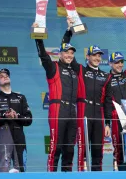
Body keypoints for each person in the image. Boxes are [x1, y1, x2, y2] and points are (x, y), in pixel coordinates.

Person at [63, 17, 112, 171]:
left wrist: (108, 123)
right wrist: (69, 31)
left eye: (99, 55)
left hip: (99, 114)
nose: (97, 58)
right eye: (94, 55)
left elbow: (108, 101)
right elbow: (66, 49)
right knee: (82, 150)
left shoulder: (106, 76)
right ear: (88, 57)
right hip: (83, 112)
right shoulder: (81, 70)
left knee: (98, 151)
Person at [34, 22, 78, 172]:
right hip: (58, 109)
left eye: (72, 53)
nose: (69, 55)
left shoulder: (74, 71)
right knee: (56, 147)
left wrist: (69, 30)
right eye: (66, 52)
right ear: (59, 54)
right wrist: (38, 36)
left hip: (73, 111)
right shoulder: (53, 67)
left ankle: (67, 175)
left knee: (70, 149)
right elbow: (42, 55)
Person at [0, 68, 32, 173]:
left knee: (21, 167)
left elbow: (29, 119)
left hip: (19, 133)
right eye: (1, 76)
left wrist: (17, 116)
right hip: (3, 132)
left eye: (7, 75)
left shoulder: (20, 97)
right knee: (4, 166)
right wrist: (4, 117)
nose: (5, 77)